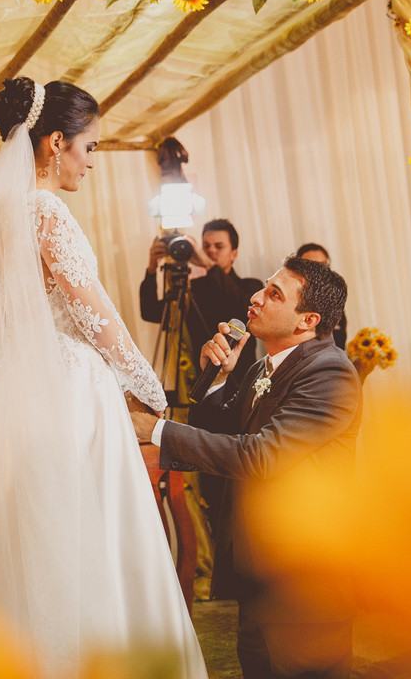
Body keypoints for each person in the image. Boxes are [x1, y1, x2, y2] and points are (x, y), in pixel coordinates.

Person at [0, 77, 206, 678]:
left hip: (19, 394)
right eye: (90, 148)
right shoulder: (46, 210)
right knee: (89, 538)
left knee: (29, 546)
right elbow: (92, 309)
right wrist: (148, 384)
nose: (92, 162)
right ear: (55, 142)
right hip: (71, 391)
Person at [131, 256, 361, 679]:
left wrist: (157, 430)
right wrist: (217, 381)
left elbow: (259, 457)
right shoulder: (263, 366)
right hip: (257, 570)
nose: (255, 298)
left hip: (304, 582)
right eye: (265, 287)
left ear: (307, 320)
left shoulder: (330, 372)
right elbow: (227, 438)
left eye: (274, 294)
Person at [140, 219, 264, 355]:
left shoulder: (251, 286)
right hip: (200, 373)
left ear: (234, 254)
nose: (211, 250)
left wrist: (208, 264)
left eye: (219, 246)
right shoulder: (193, 288)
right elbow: (151, 312)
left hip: (241, 373)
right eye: (206, 246)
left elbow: (240, 308)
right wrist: (152, 268)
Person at [295, 243, 347, 349]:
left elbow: (340, 336)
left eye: (322, 265)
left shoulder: (334, 297)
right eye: (312, 265)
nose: (319, 271)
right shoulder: (291, 299)